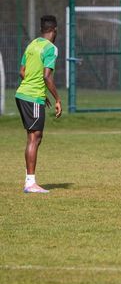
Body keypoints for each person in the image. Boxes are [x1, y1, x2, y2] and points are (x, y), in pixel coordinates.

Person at [15, 15, 62, 193]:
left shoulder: (32, 44)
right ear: (55, 30)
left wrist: (40, 91)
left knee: (33, 137)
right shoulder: (51, 48)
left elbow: (22, 72)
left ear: (42, 29)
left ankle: (29, 181)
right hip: (32, 96)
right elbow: (47, 76)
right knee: (35, 138)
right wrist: (57, 99)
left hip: (22, 94)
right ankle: (30, 183)